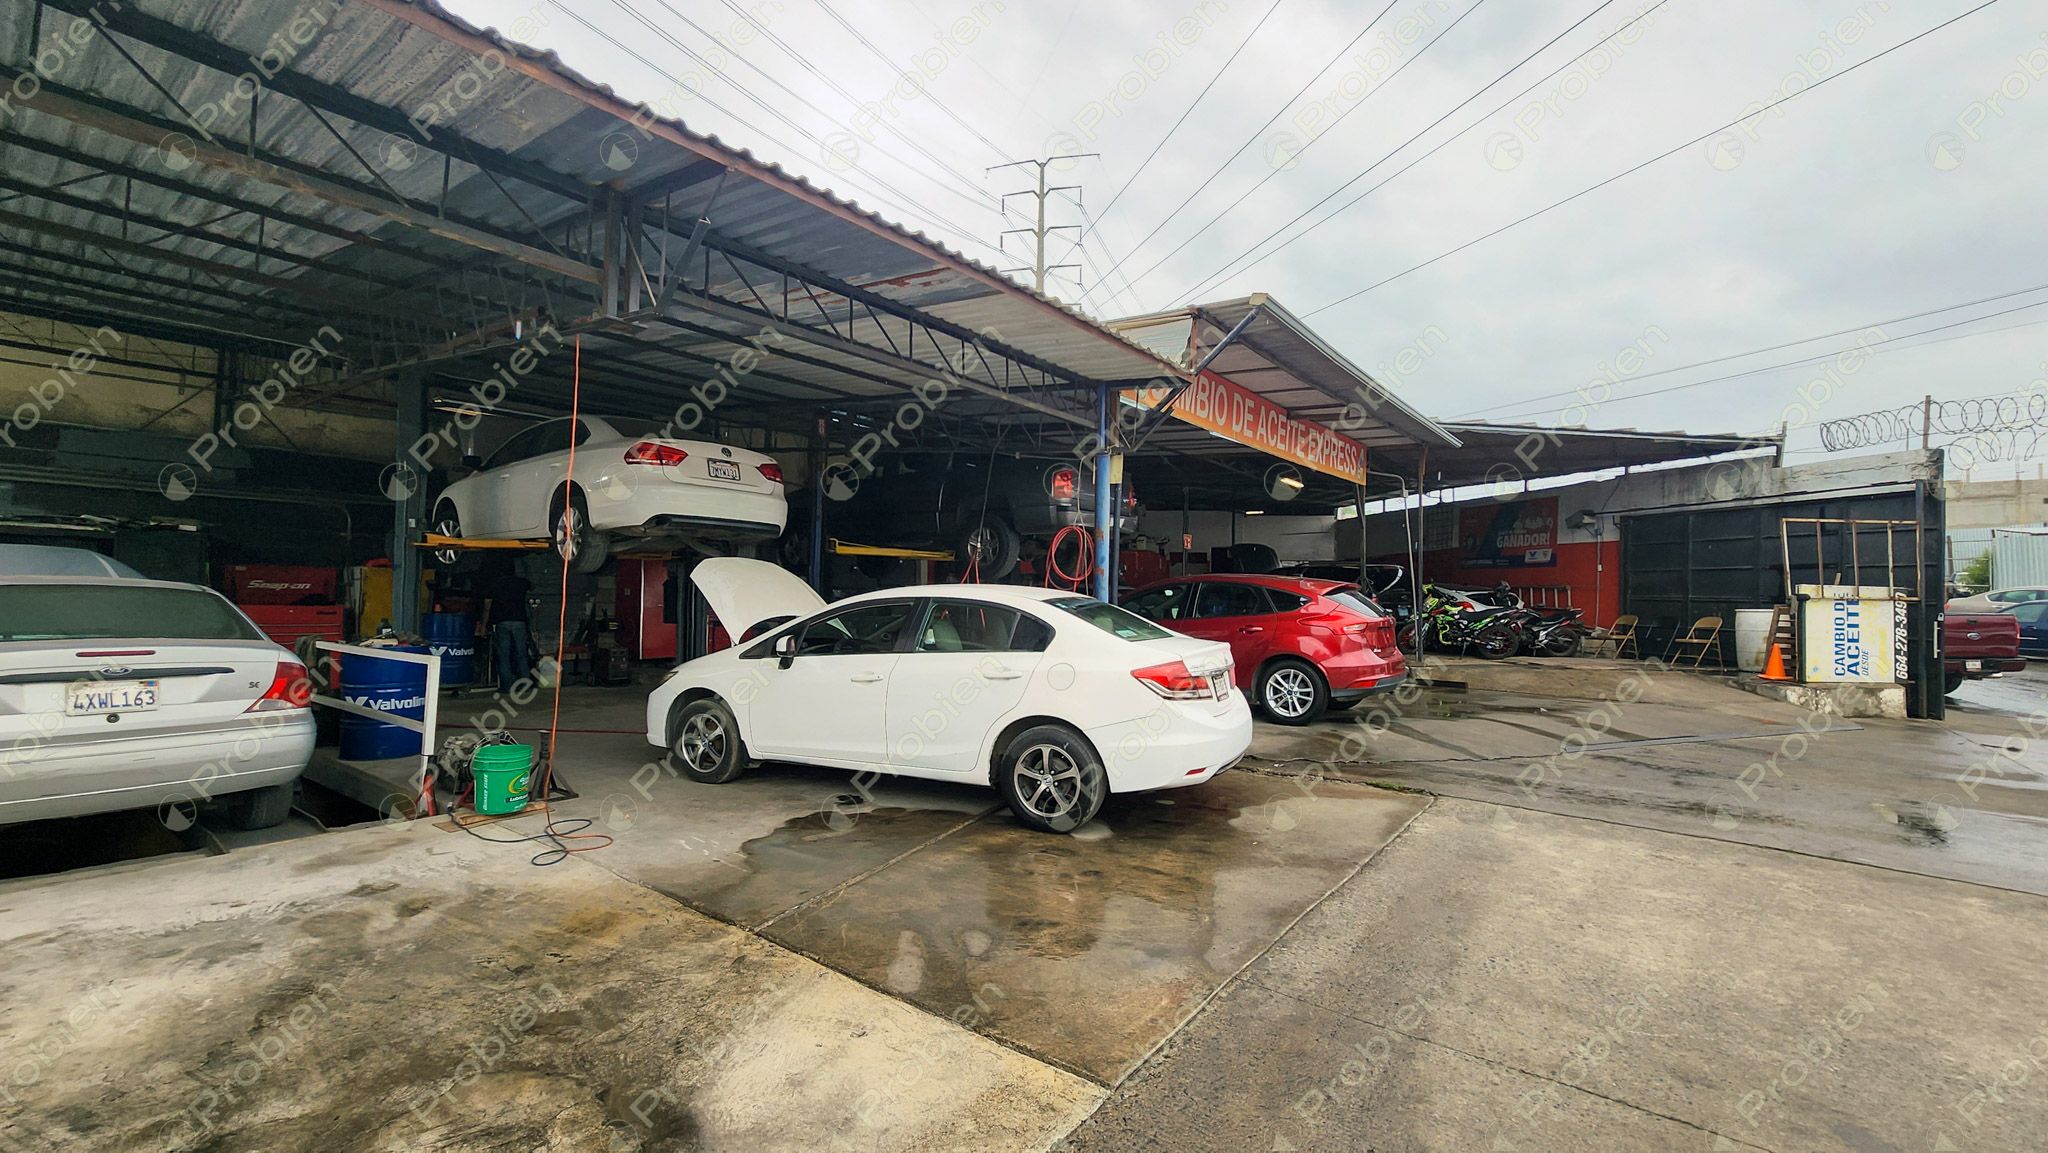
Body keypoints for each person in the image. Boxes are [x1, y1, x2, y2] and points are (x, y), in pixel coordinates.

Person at [478, 556, 533, 693]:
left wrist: (483, 626)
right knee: (521, 653)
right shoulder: (521, 582)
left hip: (502, 621)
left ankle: (506, 685)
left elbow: (487, 607)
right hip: (519, 620)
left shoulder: (494, 584)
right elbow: (532, 587)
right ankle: (526, 683)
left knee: (504, 655)